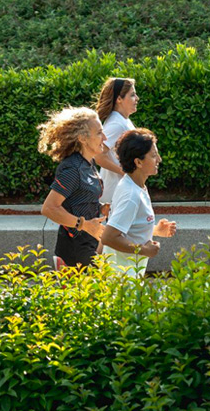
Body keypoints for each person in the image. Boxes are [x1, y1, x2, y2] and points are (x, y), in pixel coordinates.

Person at [100, 128, 177, 277]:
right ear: (138, 162)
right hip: (122, 279)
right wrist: (144, 250)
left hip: (127, 276)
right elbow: (109, 237)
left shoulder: (135, 186)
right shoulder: (131, 195)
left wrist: (154, 230)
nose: (159, 159)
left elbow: (127, 228)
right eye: (154, 155)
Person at [37, 107, 107, 268]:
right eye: (99, 133)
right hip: (76, 249)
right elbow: (49, 208)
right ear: (83, 137)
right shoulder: (72, 168)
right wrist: (84, 225)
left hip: (90, 244)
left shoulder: (88, 163)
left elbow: (77, 199)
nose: (105, 137)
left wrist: (102, 208)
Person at [94, 77, 139, 212]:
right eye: (132, 95)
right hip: (115, 192)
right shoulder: (116, 123)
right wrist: (126, 172)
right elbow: (98, 156)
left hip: (123, 190)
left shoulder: (123, 120)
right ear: (119, 99)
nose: (137, 98)